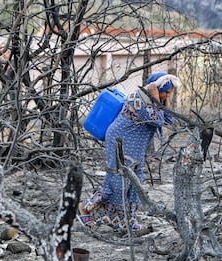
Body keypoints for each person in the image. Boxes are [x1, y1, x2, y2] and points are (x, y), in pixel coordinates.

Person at [78, 72, 181, 231]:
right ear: (155, 88)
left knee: (135, 181)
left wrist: (163, 99)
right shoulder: (138, 98)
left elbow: (169, 119)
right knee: (117, 180)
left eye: (169, 93)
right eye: (166, 92)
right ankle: (85, 207)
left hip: (134, 146)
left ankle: (127, 220)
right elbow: (156, 120)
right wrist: (156, 97)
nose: (167, 96)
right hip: (120, 141)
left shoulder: (152, 101)